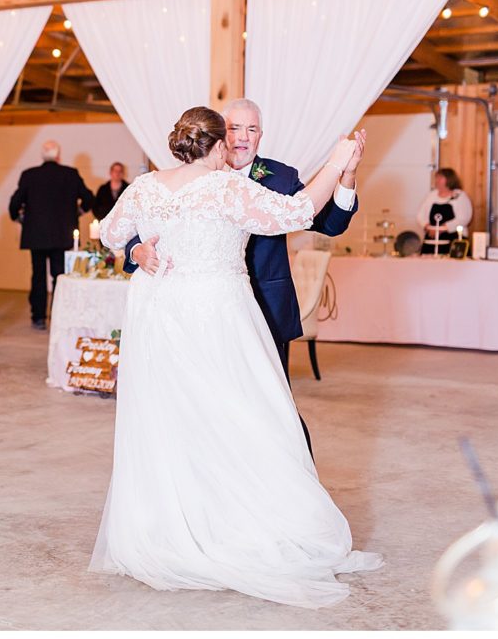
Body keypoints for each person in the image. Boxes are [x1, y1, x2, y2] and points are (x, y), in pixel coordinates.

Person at [90, 106, 382, 608]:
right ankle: (241, 525)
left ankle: (179, 526)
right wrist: (336, 161)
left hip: (159, 313)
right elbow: (296, 213)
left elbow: (108, 233)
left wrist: (142, 250)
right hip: (215, 314)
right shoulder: (224, 185)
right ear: (219, 144)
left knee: (175, 419)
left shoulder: (144, 186)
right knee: (249, 415)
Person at [124, 98, 362, 457]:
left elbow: (329, 223)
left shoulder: (280, 176)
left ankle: (293, 483)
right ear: (218, 134)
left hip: (264, 308)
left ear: (261, 136)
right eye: (234, 128)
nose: (242, 138)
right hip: (198, 315)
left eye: (251, 129)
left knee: (272, 409)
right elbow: (139, 224)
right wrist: (135, 250)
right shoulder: (180, 178)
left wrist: (347, 174)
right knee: (204, 408)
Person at [8, 140, 94, 329]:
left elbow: (15, 202)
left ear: (42, 156)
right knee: (59, 276)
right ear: (58, 155)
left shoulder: (29, 175)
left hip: (36, 234)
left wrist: (18, 218)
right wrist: (78, 212)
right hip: (62, 234)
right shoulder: (70, 174)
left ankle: (38, 317)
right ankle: (58, 314)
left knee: (38, 275)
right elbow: (89, 198)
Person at [417, 168, 473, 255]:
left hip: (454, 239)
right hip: (432, 238)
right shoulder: (431, 195)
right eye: (436, 178)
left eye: (440, 178)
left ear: (449, 179)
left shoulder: (460, 196)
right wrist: (428, 227)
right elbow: (421, 215)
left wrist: (442, 228)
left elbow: (464, 218)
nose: (437, 180)